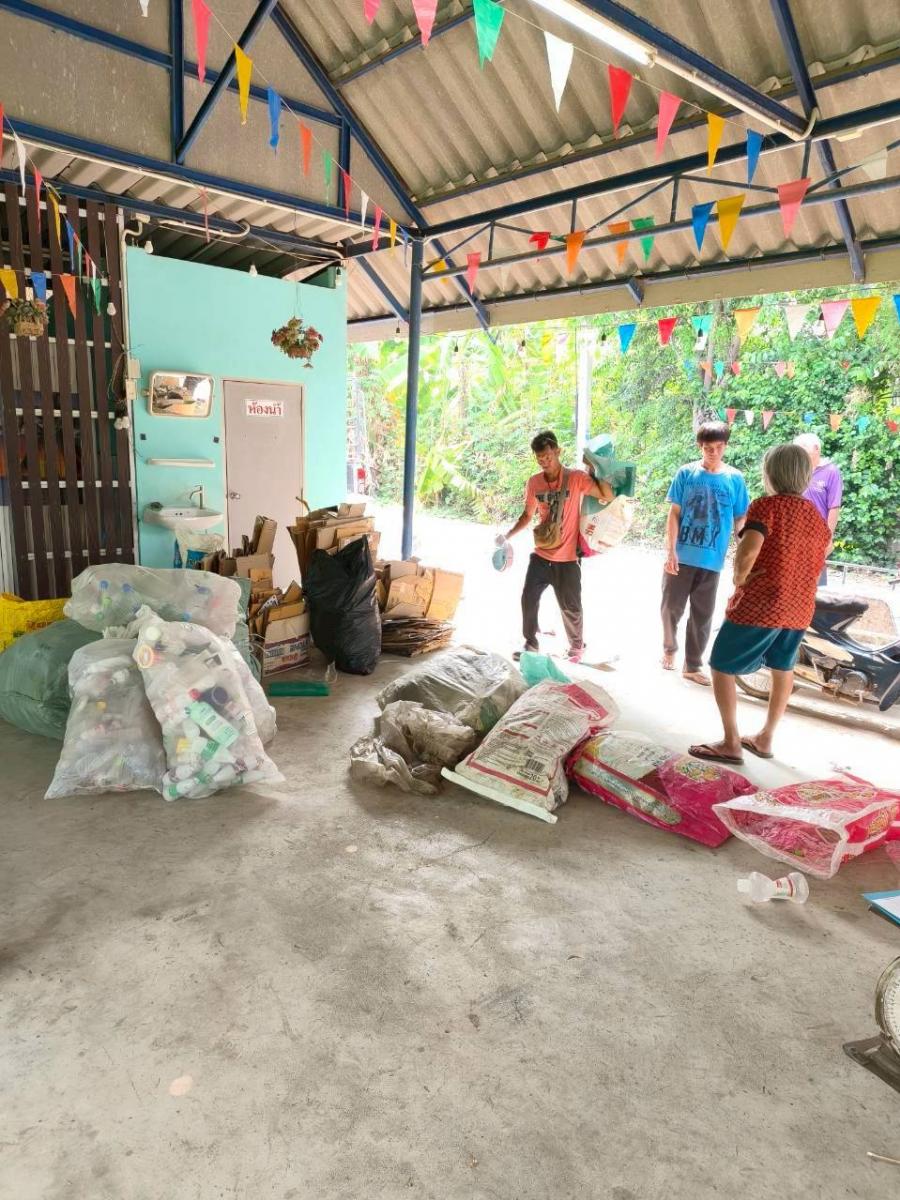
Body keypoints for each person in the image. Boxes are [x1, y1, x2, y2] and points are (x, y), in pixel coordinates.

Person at [689, 443, 830, 764]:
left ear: (771, 473)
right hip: (799, 607)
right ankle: (765, 737)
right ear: (805, 476)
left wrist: (740, 577)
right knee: (783, 667)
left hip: (763, 604)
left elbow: (750, 548)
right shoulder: (815, 516)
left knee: (721, 665)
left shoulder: (766, 507)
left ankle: (731, 742)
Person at [502, 430, 613, 664]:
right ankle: (530, 642)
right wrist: (507, 536)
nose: (544, 462)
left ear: (558, 452)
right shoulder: (534, 482)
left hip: (568, 558)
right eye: (540, 458)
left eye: (548, 457)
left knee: (571, 607)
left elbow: (606, 494)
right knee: (528, 597)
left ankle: (576, 647)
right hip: (541, 555)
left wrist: (597, 466)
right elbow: (527, 515)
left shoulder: (576, 478)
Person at [661, 421, 749, 686]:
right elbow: (674, 513)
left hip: (712, 559)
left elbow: (740, 518)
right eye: (708, 448)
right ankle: (669, 648)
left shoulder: (735, 478)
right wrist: (671, 551)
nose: (714, 453)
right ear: (700, 447)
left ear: (726, 446)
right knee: (670, 609)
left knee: (702, 615)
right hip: (682, 555)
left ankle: (692, 665)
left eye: (719, 447)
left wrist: (743, 551)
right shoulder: (686, 474)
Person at [794, 432, 841, 585]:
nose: (798, 452)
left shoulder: (831, 471)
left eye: (802, 447)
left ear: (816, 448)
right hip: (794, 533)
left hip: (817, 536)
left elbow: (834, 506)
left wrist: (829, 537)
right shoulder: (796, 470)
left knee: (813, 582)